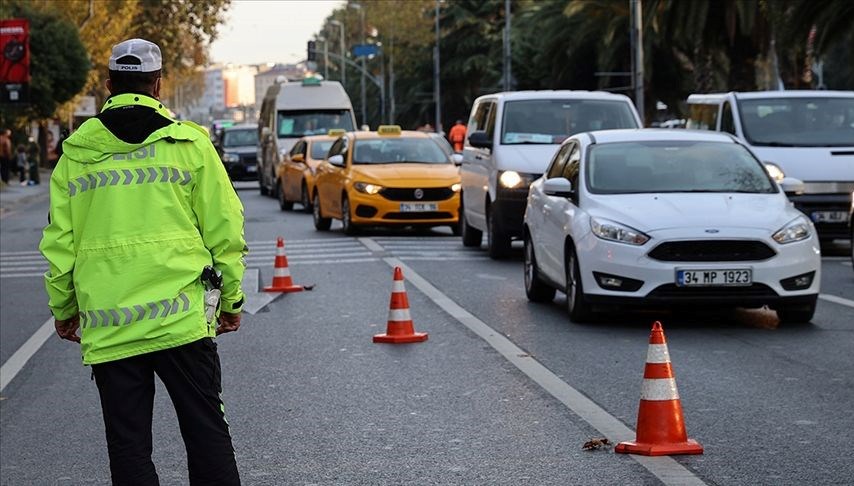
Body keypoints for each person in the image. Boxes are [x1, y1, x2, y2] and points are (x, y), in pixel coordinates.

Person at [39, 38, 246, 485]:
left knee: (129, 447)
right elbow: (225, 229)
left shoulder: (75, 155)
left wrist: (64, 309)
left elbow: (60, 246)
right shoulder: (189, 143)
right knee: (206, 432)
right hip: (183, 321)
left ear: (110, 84)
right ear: (158, 84)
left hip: (112, 325)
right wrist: (231, 299)